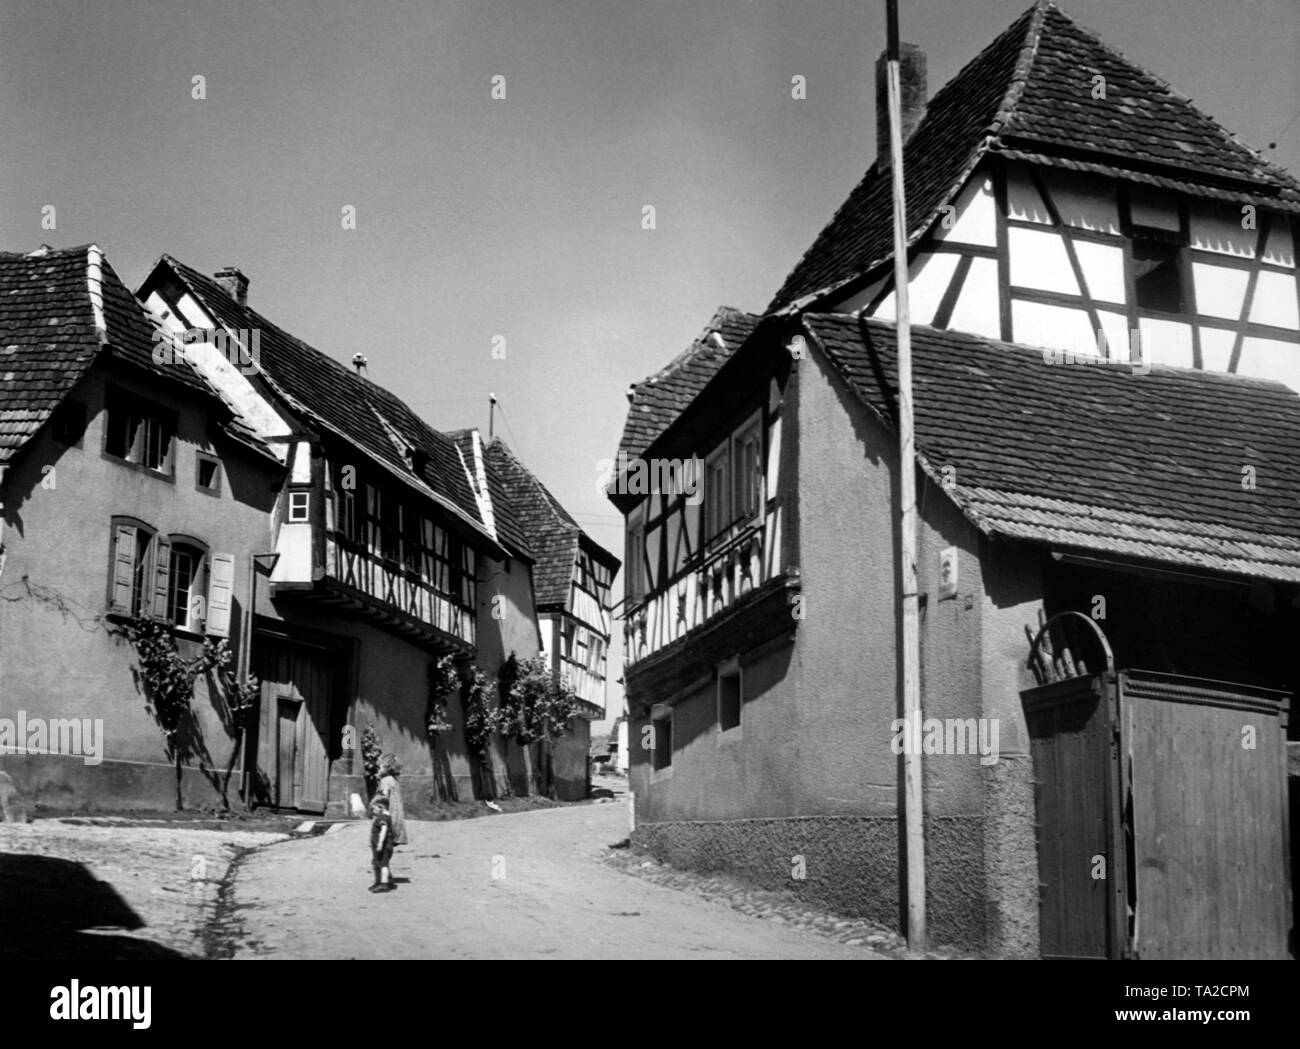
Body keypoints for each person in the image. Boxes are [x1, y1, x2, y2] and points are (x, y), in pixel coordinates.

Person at [377, 754, 409, 847]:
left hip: (389, 810)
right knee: (395, 823)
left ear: (387, 768)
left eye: (380, 767)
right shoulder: (395, 781)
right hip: (396, 812)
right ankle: (396, 838)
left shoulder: (385, 780)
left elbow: (384, 795)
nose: (379, 770)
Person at [369, 794, 394, 893]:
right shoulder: (383, 816)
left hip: (383, 846)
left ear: (380, 807)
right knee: (377, 863)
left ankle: (384, 884)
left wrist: (380, 843)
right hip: (378, 846)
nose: (372, 811)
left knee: (383, 864)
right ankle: (378, 881)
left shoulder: (383, 818)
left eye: (373, 809)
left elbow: (384, 830)